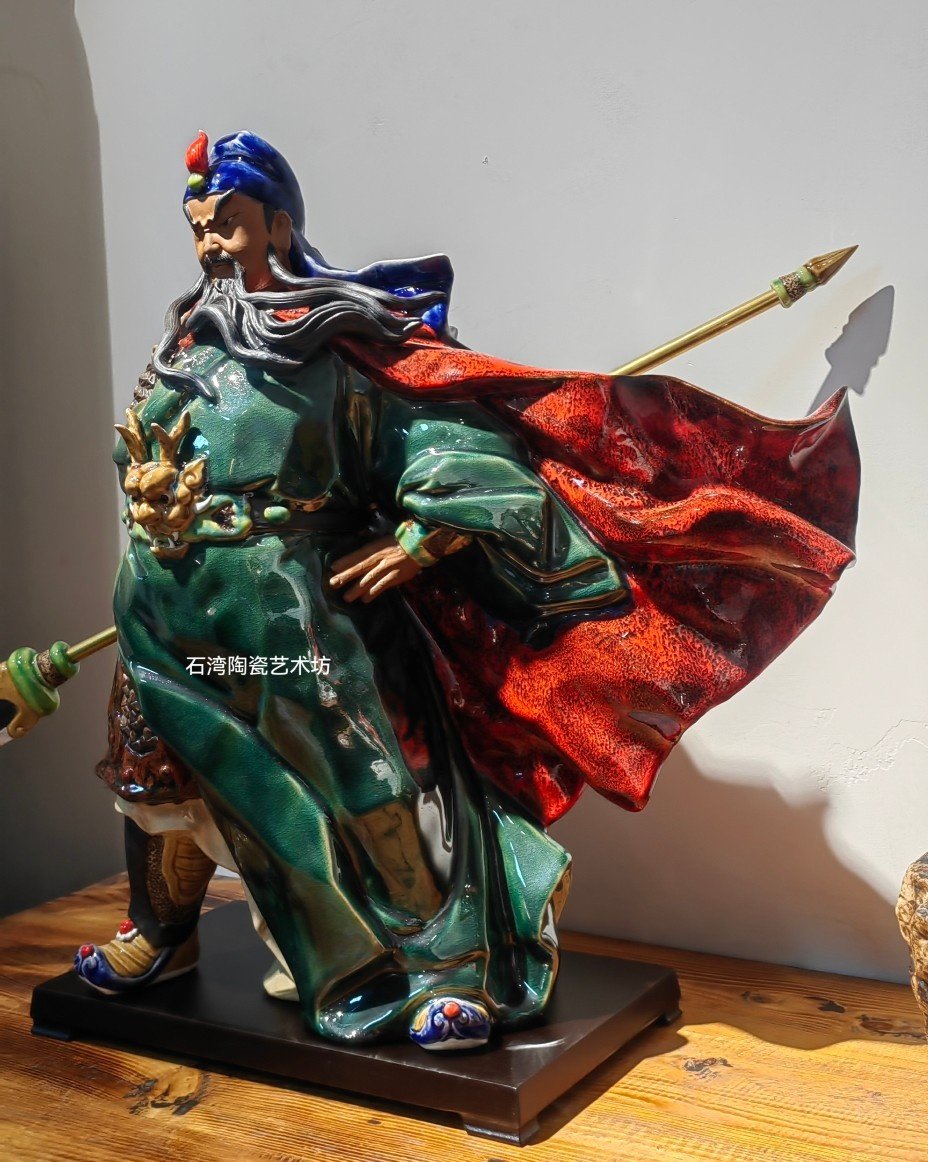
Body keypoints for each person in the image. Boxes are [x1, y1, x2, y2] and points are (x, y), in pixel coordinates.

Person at [76, 132, 860, 1051]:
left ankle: (440, 967)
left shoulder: (335, 350)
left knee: (369, 788)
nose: (212, 246)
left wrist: (424, 534)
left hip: (289, 615)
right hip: (165, 610)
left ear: (280, 228)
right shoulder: (181, 352)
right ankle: (162, 930)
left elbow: (444, 445)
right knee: (153, 776)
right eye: (199, 228)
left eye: (232, 225)